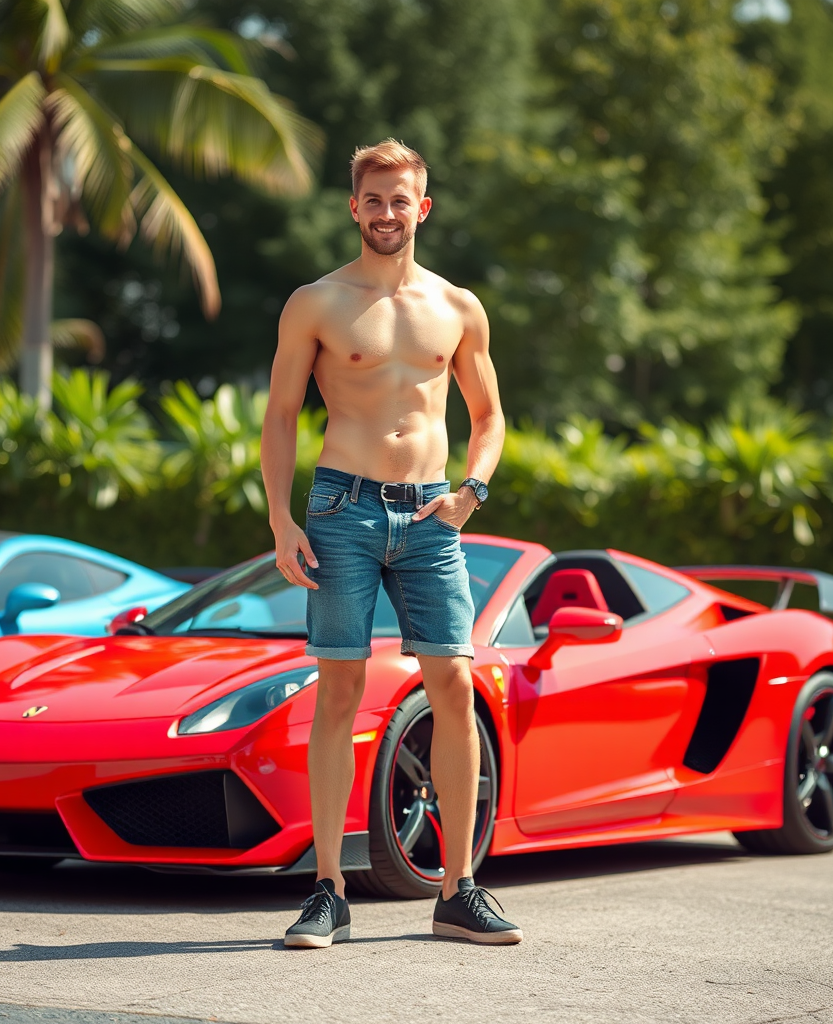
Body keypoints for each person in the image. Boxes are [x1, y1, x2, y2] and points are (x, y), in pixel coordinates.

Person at [261, 139, 521, 948]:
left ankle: (458, 889)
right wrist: (281, 518)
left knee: (452, 686)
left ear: (422, 207)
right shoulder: (317, 302)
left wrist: (473, 488)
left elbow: (488, 416)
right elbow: (278, 418)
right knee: (338, 695)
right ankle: (328, 890)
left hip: (432, 517)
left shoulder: (458, 307)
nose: (385, 213)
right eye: (372, 200)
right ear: (354, 208)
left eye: (398, 200)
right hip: (341, 508)